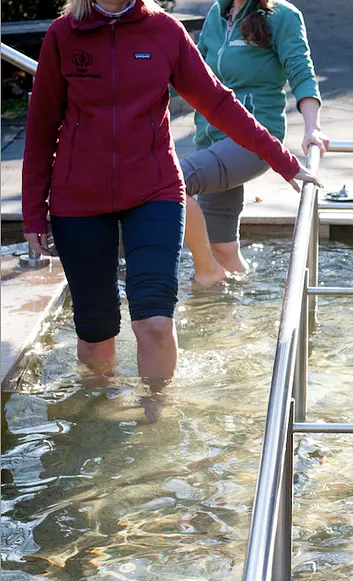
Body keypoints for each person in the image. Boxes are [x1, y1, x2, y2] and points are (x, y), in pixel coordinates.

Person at [21, 0, 320, 380]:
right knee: (95, 334)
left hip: (154, 193)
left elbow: (218, 102)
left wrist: (284, 161)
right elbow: (42, 127)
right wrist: (33, 211)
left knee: (155, 325)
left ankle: (156, 421)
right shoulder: (63, 35)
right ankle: (102, 417)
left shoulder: (164, 31)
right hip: (78, 201)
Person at [181, 0, 328, 287]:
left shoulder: (283, 15)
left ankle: (207, 273)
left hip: (254, 140)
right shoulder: (217, 13)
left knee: (172, 182)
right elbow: (190, 75)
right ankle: (239, 306)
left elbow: (302, 73)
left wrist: (313, 128)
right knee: (221, 248)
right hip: (211, 140)